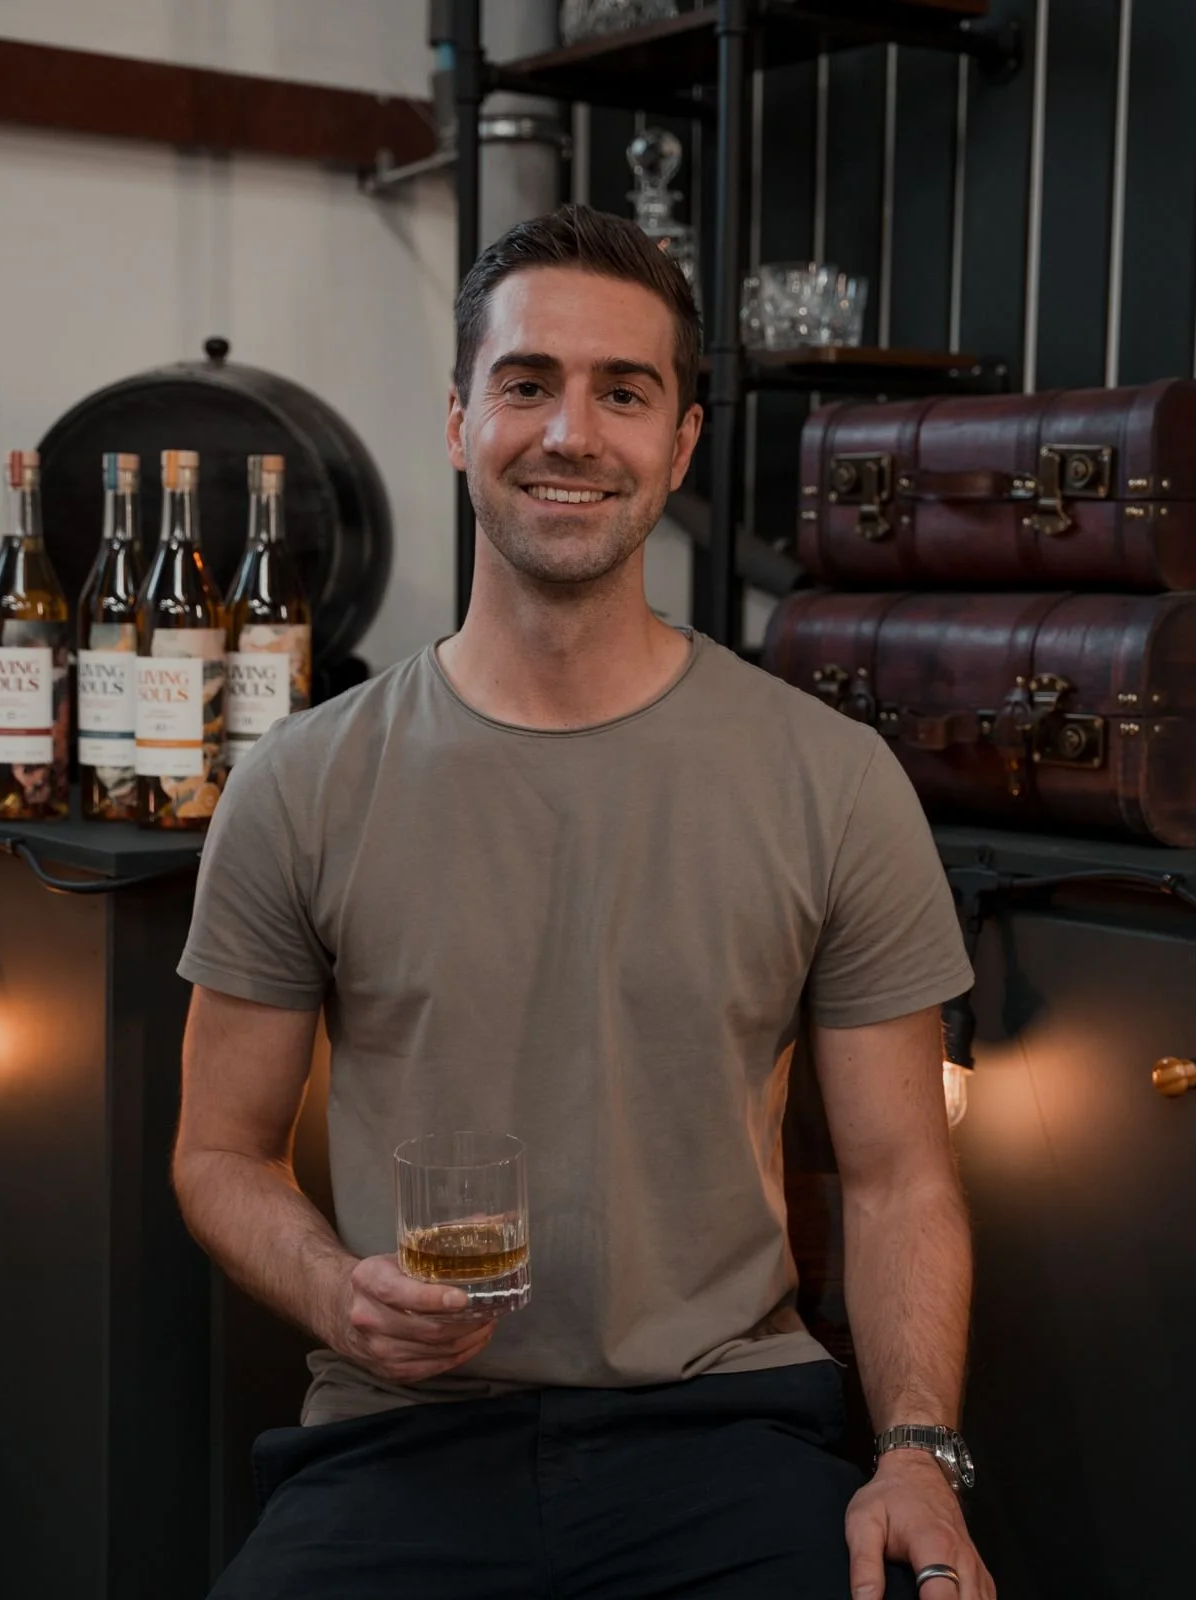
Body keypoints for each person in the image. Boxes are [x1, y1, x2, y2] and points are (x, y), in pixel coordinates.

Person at [174, 204, 995, 1600]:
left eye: (624, 392)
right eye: (527, 384)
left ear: (679, 446)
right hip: (402, 1440)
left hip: (730, 1430)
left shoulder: (832, 779)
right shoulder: (304, 782)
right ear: (456, 422)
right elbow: (218, 1156)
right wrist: (334, 1294)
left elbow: (900, 1177)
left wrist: (919, 1452)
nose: (571, 433)